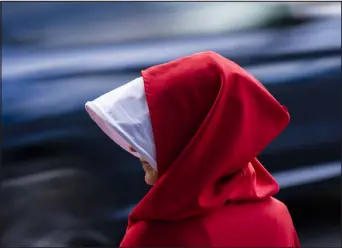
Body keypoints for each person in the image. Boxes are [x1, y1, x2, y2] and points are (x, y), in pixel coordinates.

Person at [85, 51, 300, 247]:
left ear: (192, 136)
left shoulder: (155, 236)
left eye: (151, 131)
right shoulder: (277, 217)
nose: (132, 147)